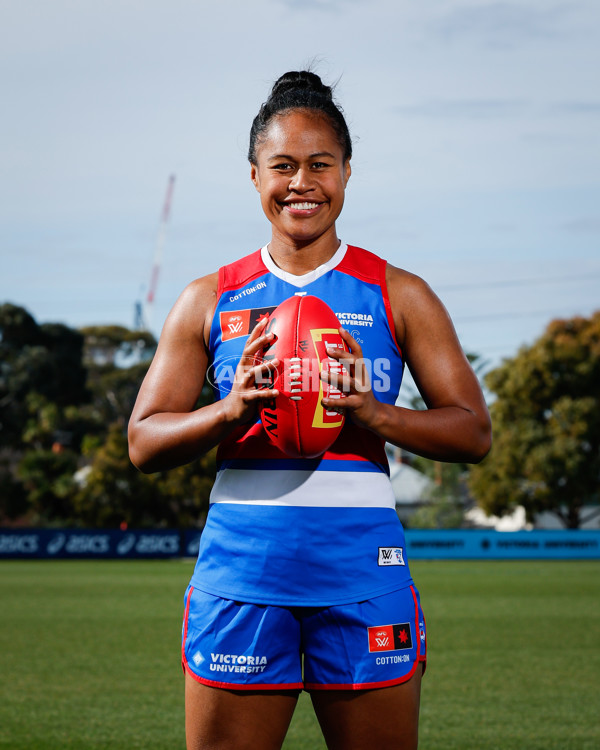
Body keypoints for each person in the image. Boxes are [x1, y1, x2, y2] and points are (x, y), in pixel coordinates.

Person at [128, 70, 491, 750]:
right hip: (242, 582)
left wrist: (374, 414)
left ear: (348, 172)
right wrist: (229, 409)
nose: (302, 182)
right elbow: (144, 442)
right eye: (283, 166)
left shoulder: (398, 293)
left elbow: (473, 431)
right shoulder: (208, 297)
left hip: (362, 580)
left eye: (320, 164)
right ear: (254, 175)